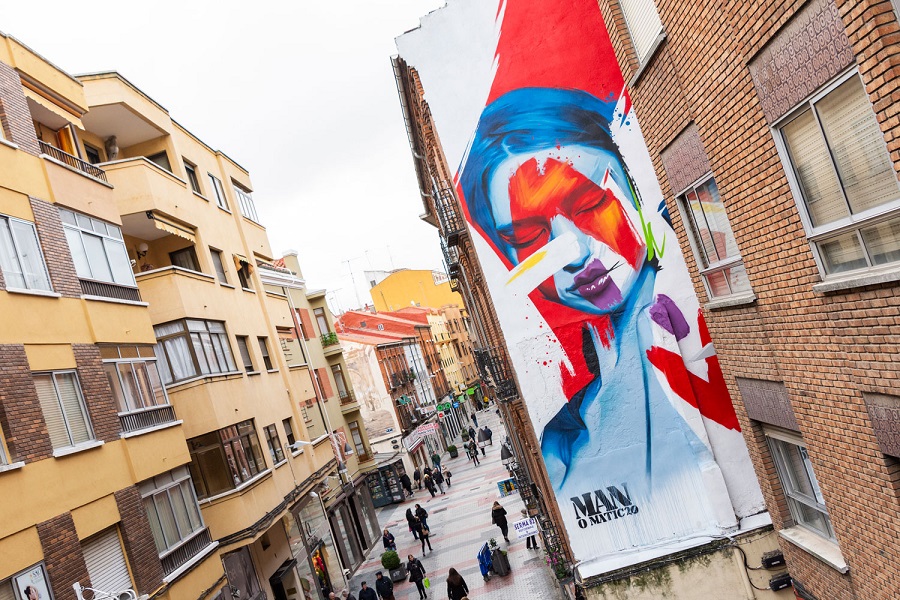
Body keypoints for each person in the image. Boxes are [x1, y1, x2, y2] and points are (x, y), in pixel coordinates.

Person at [461, 86, 744, 552]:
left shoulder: (700, 329)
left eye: (590, 205)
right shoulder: (562, 444)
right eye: (530, 236)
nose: (572, 252)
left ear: (634, 181)